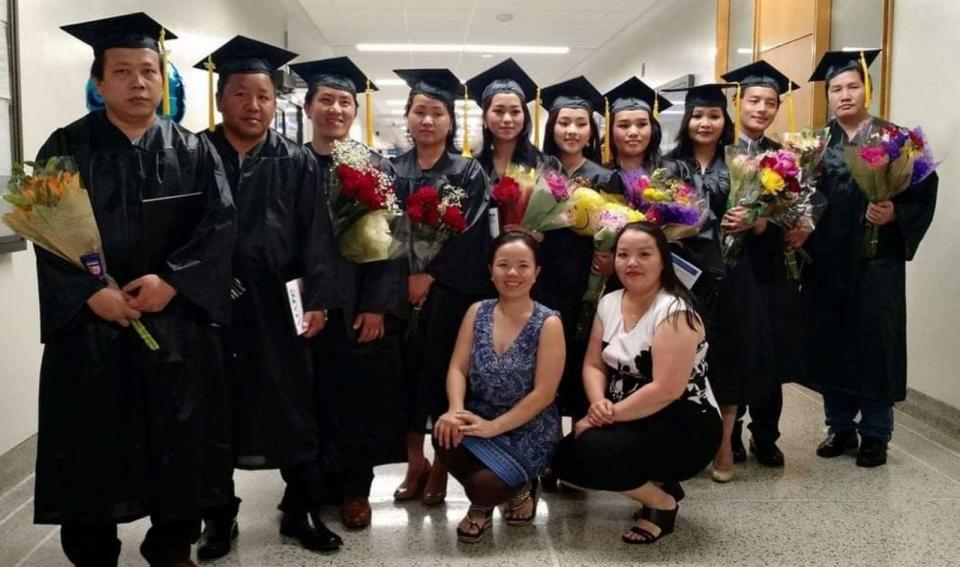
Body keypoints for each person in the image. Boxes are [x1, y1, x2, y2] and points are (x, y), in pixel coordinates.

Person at [34, 13, 235, 567]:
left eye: (149, 70)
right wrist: (87, 292)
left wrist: (173, 280)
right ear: (99, 83)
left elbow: (219, 226)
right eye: (122, 71)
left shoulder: (193, 150)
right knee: (92, 441)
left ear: (163, 80)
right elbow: (46, 232)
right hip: (93, 328)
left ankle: (171, 547)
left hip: (171, 326)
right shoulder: (66, 147)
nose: (138, 82)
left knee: (179, 437)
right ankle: (92, 552)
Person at [195, 36, 342, 557]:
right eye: (240, 94)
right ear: (221, 99)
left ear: (273, 102)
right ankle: (218, 516)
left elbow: (316, 234)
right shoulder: (196, 153)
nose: (252, 105)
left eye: (261, 95)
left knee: (292, 403)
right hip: (210, 305)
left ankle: (299, 509)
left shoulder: (296, 160)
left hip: (280, 305)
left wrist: (319, 300)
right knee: (214, 408)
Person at [288, 56, 407, 529]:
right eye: (326, 100)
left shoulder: (373, 166)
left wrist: (377, 305)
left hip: (356, 303)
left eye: (344, 102)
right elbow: (278, 242)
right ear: (308, 107)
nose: (335, 109)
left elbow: (390, 243)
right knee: (304, 400)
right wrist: (301, 301)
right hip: (302, 307)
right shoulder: (289, 164)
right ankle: (307, 491)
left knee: (357, 401)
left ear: (354, 111)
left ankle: (356, 491)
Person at [805, 49, 938, 467]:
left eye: (852, 86)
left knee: (876, 342)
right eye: (836, 89)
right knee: (832, 340)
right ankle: (839, 426)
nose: (844, 95)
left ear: (868, 89)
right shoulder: (815, 145)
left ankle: (877, 433)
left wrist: (895, 212)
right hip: (826, 259)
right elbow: (800, 198)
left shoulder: (896, 140)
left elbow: (925, 189)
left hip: (877, 260)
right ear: (828, 96)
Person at [553, 222, 721, 544]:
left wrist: (604, 416)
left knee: (592, 450)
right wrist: (598, 402)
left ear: (662, 260)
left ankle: (661, 504)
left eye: (644, 254)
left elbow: (666, 390)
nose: (632, 263)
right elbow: (592, 363)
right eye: (624, 254)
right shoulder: (610, 301)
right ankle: (659, 481)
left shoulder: (674, 312)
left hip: (683, 420)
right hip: (626, 412)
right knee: (566, 460)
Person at [390, 68, 491, 507]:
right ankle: (415, 462)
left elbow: (472, 235)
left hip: (450, 295)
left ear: (451, 122)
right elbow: (377, 231)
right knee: (404, 380)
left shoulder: (468, 172)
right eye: (419, 112)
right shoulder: (390, 169)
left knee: (444, 379)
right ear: (407, 118)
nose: (427, 121)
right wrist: (404, 277)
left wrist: (429, 275)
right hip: (397, 294)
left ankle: (442, 467)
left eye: (436, 113)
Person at [433, 231, 564, 543]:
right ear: (491, 270)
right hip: (479, 415)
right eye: (503, 264)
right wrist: (455, 409)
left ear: (537, 273)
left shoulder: (549, 323)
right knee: (444, 434)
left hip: (528, 429)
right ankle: (494, 495)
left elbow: (544, 394)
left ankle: (510, 492)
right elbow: (457, 367)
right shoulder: (477, 311)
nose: (513, 273)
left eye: (523, 265)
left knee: (484, 486)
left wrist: (494, 428)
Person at [719, 60, 806, 468]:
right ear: (738, 102)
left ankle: (766, 435)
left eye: (770, 103)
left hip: (770, 266)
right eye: (753, 100)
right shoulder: (718, 154)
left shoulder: (786, 159)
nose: (761, 109)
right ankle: (729, 435)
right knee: (734, 348)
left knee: (769, 350)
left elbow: (796, 216)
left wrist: (764, 222)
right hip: (730, 269)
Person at [662, 84, 741, 482]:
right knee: (681, 360)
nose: (704, 123)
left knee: (727, 359)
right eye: (697, 116)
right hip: (682, 276)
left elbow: (761, 212)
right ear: (686, 121)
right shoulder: (669, 166)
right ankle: (680, 442)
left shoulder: (740, 163)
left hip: (732, 276)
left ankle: (725, 444)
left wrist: (756, 220)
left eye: (713, 116)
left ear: (724, 120)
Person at [538, 76, 613, 422]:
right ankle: (545, 449)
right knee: (543, 366)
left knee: (584, 360)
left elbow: (617, 225)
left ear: (591, 131)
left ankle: (579, 449)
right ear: (552, 126)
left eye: (581, 123)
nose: (572, 130)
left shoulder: (605, 177)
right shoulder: (538, 171)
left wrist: (610, 255)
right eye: (564, 122)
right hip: (542, 280)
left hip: (588, 284)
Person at [465, 57, 559, 183]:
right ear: (485, 119)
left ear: (525, 117)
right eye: (498, 111)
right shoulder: (472, 168)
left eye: (515, 111)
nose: (507, 119)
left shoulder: (545, 165)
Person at [602, 76, 673, 194]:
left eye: (642, 124)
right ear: (611, 130)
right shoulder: (600, 177)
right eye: (624, 126)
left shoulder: (671, 173)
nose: (634, 132)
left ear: (652, 128)